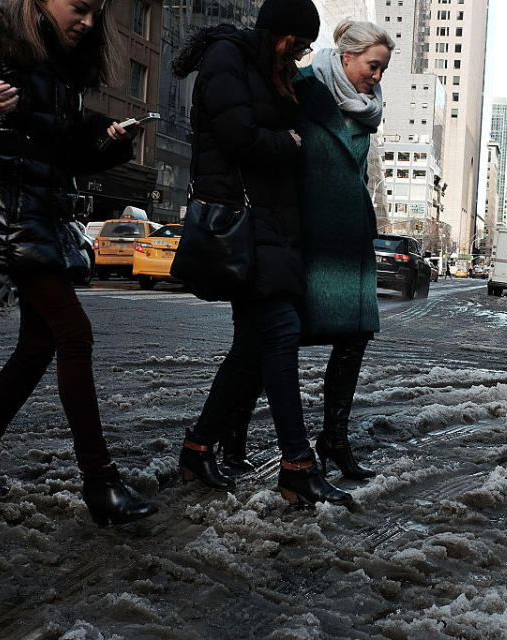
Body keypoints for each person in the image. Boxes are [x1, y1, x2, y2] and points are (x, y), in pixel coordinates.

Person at [0, 0, 157, 527]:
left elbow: (66, 155)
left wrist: (109, 142)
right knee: (73, 333)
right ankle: (99, 481)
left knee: (38, 343)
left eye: (97, 13)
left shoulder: (62, 66)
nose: (90, 23)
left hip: (45, 217)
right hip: (10, 214)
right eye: (80, 8)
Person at [171, 0, 351, 506]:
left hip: (268, 226)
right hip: (242, 224)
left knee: (252, 347)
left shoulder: (270, 69)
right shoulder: (228, 58)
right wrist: (290, 143)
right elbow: (236, 135)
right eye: (296, 43)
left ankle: (197, 447)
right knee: (280, 333)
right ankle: (296, 463)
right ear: (278, 33)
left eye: (305, 47)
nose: (299, 54)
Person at [291, 20, 394, 479]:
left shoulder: (366, 108)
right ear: (347, 56)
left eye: (382, 70)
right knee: (275, 339)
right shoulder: (303, 87)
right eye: (373, 66)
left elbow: (357, 172)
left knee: (354, 339)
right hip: (305, 235)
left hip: (350, 241)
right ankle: (228, 437)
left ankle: (333, 438)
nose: (376, 77)